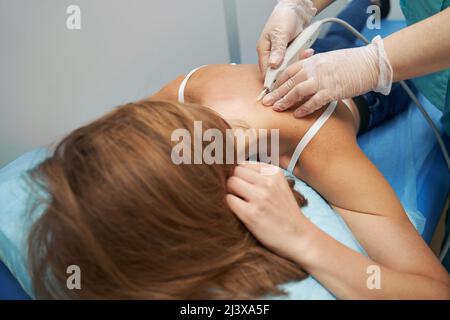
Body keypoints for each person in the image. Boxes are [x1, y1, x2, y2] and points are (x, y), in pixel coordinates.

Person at [28, 2, 449, 299]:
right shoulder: (179, 93)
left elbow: (433, 291)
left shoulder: (314, 143)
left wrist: (303, 239)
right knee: (340, 33)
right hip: (315, 58)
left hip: (362, 99)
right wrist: (298, 5)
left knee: (383, 72)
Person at [258, 0, 450, 136]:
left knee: (337, 37)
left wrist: (373, 64)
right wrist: (298, 5)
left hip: (339, 78)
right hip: (316, 64)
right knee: (337, 36)